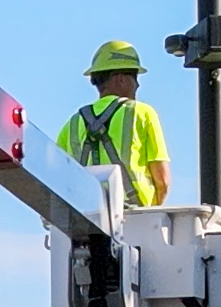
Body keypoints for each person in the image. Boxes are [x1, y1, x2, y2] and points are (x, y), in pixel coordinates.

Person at [58, 40, 170, 207]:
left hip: (87, 217)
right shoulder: (142, 113)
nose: (138, 84)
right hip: (133, 217)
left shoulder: (73, 123)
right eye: (134, 77)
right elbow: (162, 181)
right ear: (120, 78)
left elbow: (58, 180)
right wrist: (153, 214)